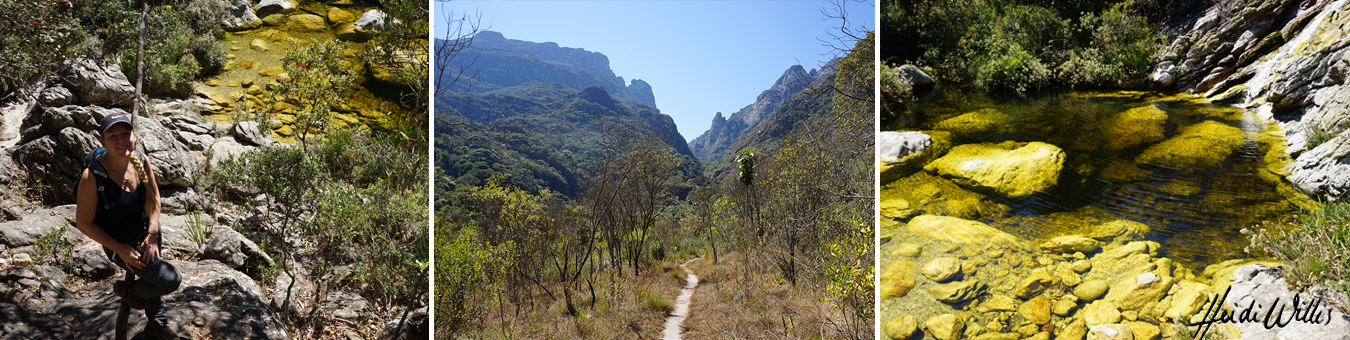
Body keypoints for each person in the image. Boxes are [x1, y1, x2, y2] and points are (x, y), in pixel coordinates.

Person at [74, 112, 181, 339]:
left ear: (134, 135)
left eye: (126, 133)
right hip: (118, 243)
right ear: (102, 142)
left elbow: (155, 198)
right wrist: (119, 249)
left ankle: (155, 323)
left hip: (147, 233)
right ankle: (129, 292)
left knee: (152, 274)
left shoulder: (140, 160)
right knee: (170, 280)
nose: (121, 140)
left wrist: (152, 233)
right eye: (113, 136)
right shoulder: (92, 177)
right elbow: (83, 223)